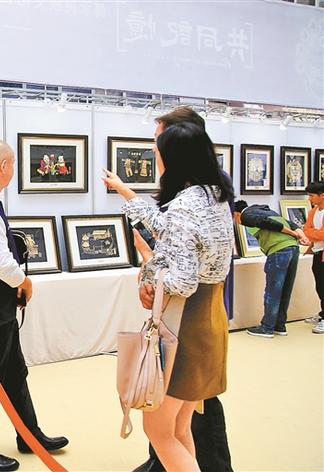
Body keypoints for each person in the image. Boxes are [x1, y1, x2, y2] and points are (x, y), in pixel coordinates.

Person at [104, 121, 234, 472]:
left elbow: (182, 282)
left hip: (183, 326)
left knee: (159, 430)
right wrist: (126, 192)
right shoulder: (215, 196)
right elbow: (169, 228)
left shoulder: (184, 206)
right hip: (209, 321)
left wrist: (149, 264)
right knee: (179, 427)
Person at [0, 139, 68, 471]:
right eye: (14, 165)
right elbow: (4, 266)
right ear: (4, 166)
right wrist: (26, 282)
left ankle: (29, 435)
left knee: (15, 374)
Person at [233, 200, 310, 337]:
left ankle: (267, 328)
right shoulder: (268, 211)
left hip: (279, 250)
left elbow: (268, 223)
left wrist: (292, 234)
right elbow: (291, 224)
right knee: (285, 289)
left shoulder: (246, 215)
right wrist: (301, 236)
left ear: (236, 214)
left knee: (273, 291)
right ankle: (280, 325)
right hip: (293, 248)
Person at [302, 181, 324, 333]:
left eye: (311, 195)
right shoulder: (312, 211)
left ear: (322, 196)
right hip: (316, 252)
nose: (309, 198)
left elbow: (322, 234)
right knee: (319, 286)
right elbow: (306, 230)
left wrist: (313, 233)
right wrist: (314, 233)